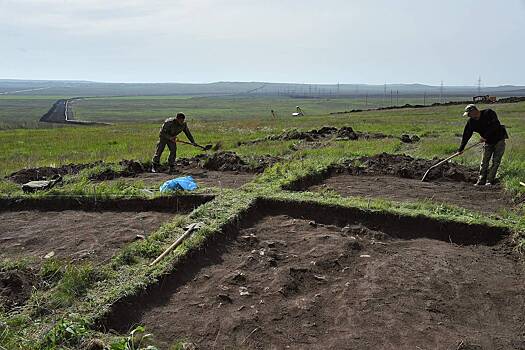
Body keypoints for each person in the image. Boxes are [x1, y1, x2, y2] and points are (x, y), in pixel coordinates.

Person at [458, 104, 508, 186]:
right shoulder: (471, 122)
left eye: (469, 114)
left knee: (496, 161)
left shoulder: (489, 113)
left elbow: (496, 125)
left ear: (474, 111)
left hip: (499, 139)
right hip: (488, 142)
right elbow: (466, 135)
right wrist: (461, 149)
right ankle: (481, 180)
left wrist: (485, 136)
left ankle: (490, 180)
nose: (468, 116)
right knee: (484, 162)